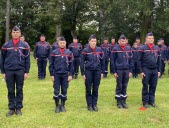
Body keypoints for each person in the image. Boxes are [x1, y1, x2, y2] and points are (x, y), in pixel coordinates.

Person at [1, 26, 30, 116]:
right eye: (14, 32)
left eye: (17, 32)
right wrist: (3, 71)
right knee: (10, 90)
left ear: (20, 33)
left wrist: (26, 71)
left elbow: (27, 59)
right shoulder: (6, 45)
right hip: (9, 70)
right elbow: (2, 58)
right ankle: (11, 108)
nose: (15, 34)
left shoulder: (24, 45)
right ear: (11, 34)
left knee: (19, 89)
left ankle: (18, 108)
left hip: (20, 70)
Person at [80, 34, 105, 112]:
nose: (94, 42)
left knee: (95, 88)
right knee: (88, 88)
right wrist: (83, 73)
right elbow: (81, 62)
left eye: (95, 41)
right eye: (92, 41)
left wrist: (102, 72)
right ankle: (89, 105)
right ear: (89, 41)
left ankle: (94, 104)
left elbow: (103, 62)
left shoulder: (100, 50)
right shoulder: (85, 51)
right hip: (88, 71)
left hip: (97, 71)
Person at [49, 36, 73, 113]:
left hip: (65, 74)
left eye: (63, 43)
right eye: (60, 43)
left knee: (64, 89)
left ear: (65, 43)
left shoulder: (69, 52)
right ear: (58, 43)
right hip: (56, 74)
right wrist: (51, 74)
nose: (62, 44)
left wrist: (70, 75)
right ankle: (57, 106)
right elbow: (51, 64)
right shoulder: (54, 52)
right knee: (56, 90)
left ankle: (62, 105)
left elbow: (72, 65)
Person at [138, 33, 161, 108]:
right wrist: (141, 71)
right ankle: (145, 102)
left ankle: (152, 101)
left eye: (152, 38)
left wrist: (159, 70)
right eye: (149, 38)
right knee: (145, 86)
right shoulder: (142, 48)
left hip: (154, 69)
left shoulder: (157, 48)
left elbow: (159, 60)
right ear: (146, 39)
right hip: (146, 69)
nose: (151, 40)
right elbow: (139, 60)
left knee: (153, 86)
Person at [110, 35, 133, 109]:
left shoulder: (128, 48)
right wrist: (114, 71)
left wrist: (130, 71)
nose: (123, 42)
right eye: (122, 41)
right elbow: (112, 61)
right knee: (119, 85)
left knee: (125, 85)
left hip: (126, 70)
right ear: (119, 41)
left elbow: (131, 60)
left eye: (125, 41)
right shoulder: (115, 49)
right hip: (119, 70)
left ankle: (124, 101)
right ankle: (119, 101)